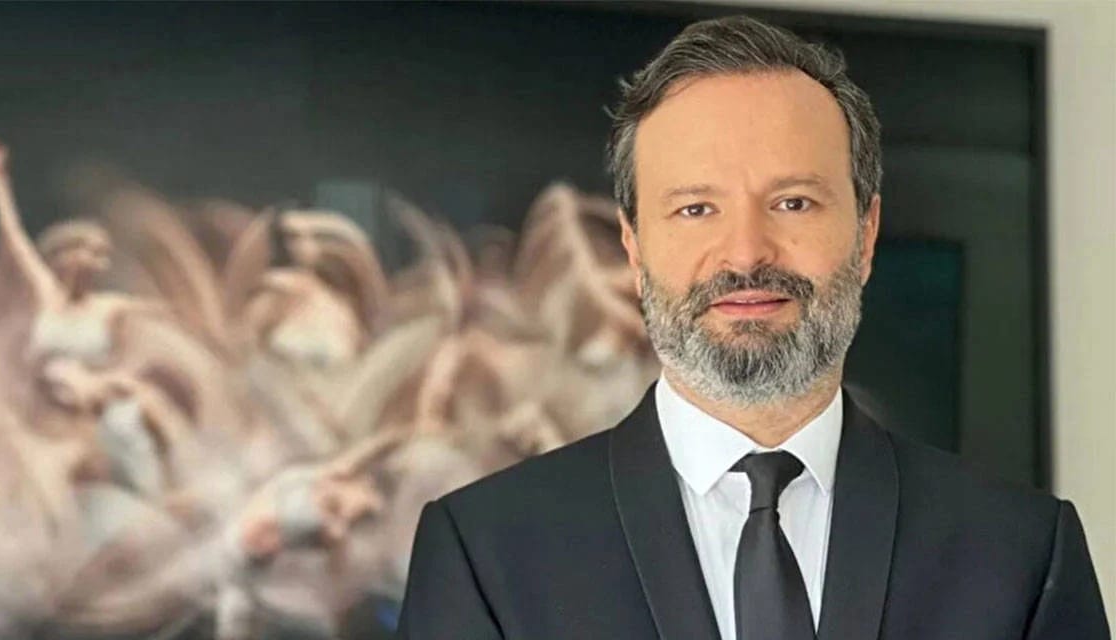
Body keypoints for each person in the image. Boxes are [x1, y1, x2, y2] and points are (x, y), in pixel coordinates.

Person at [396, 15, 1109, 640]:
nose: (745, 254)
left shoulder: (1021, 553)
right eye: (695, 209)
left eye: (793, 203)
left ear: (865, 234)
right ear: (634, 247)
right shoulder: (484, 553)